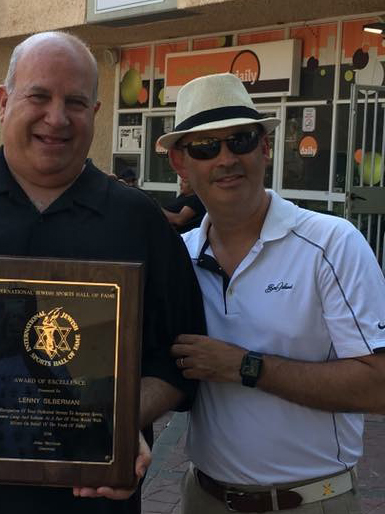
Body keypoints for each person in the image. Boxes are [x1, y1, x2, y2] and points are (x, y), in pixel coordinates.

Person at [0, 32, 205, 514]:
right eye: (39, 96)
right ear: (4, 102)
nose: (57, 118)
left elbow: (179, 362)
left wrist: (114, 420)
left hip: (81, 503)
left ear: (95, 112)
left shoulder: (138, 222)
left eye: (75, 102)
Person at [156, 72, 385, 514]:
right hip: (204, 498)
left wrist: (246, 366)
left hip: (312, 502)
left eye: (240, 140)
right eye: (205, 147)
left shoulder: (332, 243)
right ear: (181, 163)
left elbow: (379, 386)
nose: (226, 159)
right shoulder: (177, 258)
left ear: (264, 147)